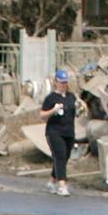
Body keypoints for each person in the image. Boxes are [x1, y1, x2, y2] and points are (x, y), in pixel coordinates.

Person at [39, 68, 76, 197]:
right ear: (56, 82)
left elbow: (74, 111)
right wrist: (53, 110)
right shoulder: (51, 98)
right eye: (61, 82)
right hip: (54, 131)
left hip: (69, 132)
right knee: (59, 155)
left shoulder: (71, 96)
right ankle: (62, 185)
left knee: (64, 157)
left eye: (65, 82)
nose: (63, 85)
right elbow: (42, 115)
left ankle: (51, 182)